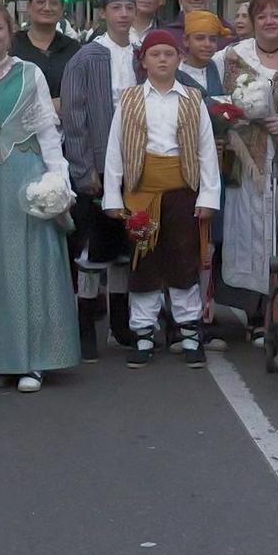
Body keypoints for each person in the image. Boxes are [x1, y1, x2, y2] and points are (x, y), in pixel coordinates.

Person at [0, 6, 79, 392]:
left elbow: (48, 132)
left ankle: (34, 361)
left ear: (9, 31)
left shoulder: (29, 72)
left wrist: (57, 180)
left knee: (30, 266)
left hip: (25, 176)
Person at [103, 29, 222, 367]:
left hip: (182, 192)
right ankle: (142, 333)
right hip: (140, 194)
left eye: (169, 54)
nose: (162, 60)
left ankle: (189, 331)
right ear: (143, 61)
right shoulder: (129, 99)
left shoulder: (192, 99)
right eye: (155, 55)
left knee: (183, 259)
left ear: (179, 59)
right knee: (144, 262)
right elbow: (115, 151)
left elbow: (206, 151)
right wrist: (113, 197)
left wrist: (208, 196)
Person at [212, 0, 278, 339]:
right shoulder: (230, 58)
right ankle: (254, 312)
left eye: (276, 15)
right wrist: (232, 116)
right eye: (263, 16)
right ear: (253, 22)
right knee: (247, 232)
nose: (270, 22)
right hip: (245, 159)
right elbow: (212, 99)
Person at [60, 0, 142, 357]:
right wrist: (83, 167)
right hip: (98, 163)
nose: (123, 14)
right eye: (116, 8)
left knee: (126, 247)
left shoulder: (141, 55)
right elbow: (74, 116)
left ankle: (121, 324)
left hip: (134, 165)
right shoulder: (87, 57)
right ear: (104, 12)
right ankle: (85, 325)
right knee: (94, 251)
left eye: (129, 7)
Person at [12, 0, 80, 104]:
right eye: (40, 2)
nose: (47, 8)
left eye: (54, 3)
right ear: (29, 6)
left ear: (62, 8)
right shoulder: (11, 46)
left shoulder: (74, 50)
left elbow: (82, 92)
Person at [179, 9, 229, 96]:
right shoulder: (176, 72)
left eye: (212, 39)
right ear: (186, 40)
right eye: (200, 38)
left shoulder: (220, 66)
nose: (207, 44)